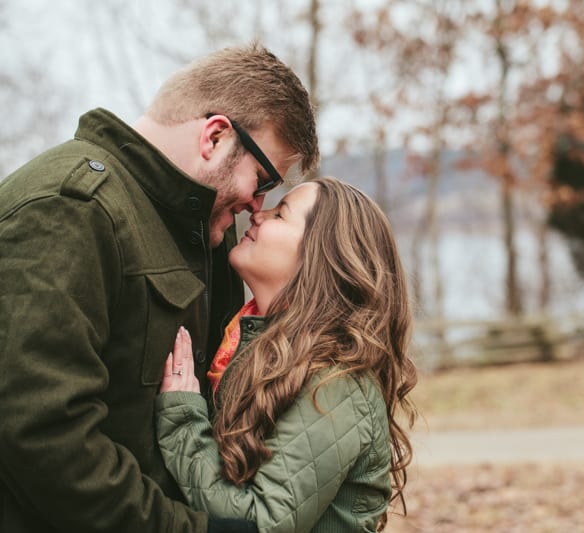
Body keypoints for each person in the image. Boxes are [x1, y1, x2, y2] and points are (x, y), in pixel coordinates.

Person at [0, 43, 318, 533]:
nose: (258, 206)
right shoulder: (70, 208)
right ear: (215, 137)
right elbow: (44, 436)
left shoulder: (206, 228)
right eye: (262, 180)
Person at [156, 177, 418, 532]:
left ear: (320, 257)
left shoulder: (334, 384)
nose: (258, 215)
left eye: (280, 215)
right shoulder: (253, 350)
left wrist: (183, 422)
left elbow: (259, 523)